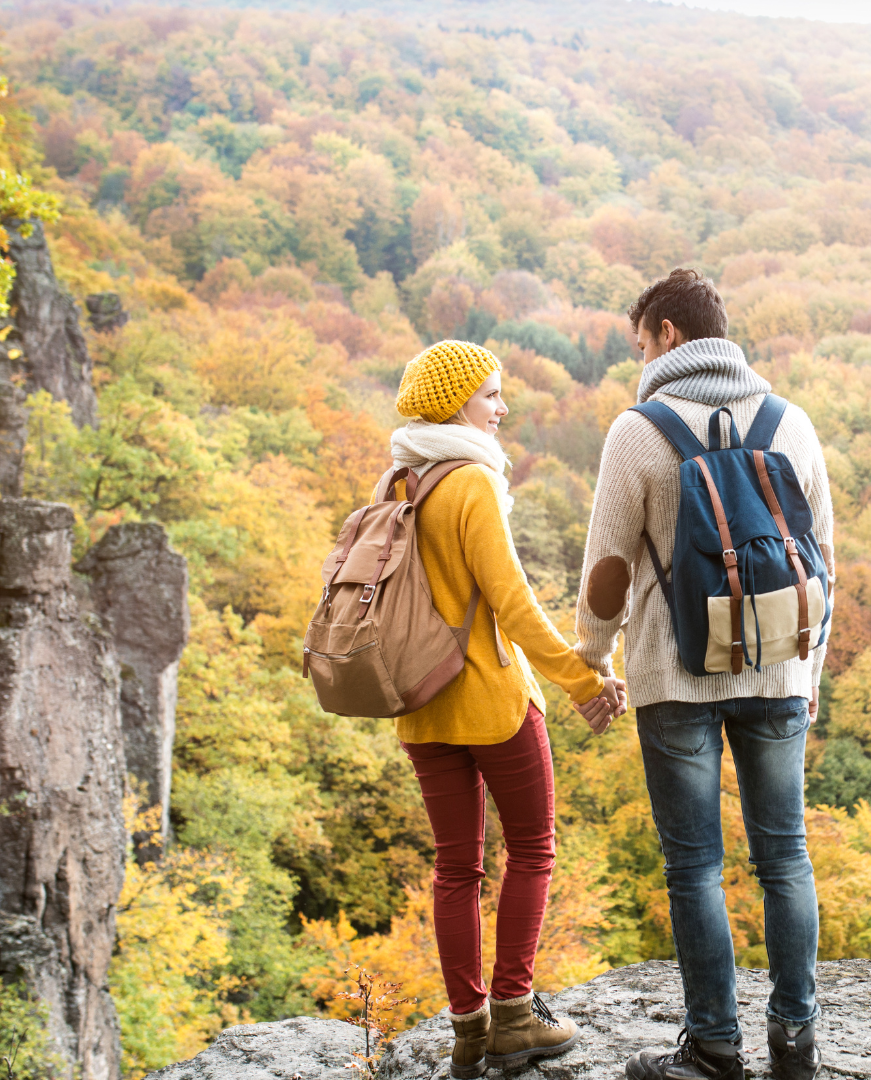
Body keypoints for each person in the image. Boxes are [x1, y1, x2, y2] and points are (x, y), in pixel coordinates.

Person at [574, 270, 833, 1080]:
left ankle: (715, 1046)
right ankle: (796, 1039)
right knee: (785, 857)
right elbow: (824, 559)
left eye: (641, 342)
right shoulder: (793, 425)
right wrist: (810, 665)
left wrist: (592, 658)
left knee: (695, 867)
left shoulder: (638, 431)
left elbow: (606, 568)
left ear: (669, 334)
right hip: (778, 667)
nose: (638, 358)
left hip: (675, 676)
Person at [387, 341, 627, 1079]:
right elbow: (513, 605)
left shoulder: (399, 480)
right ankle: (515, 1015)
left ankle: (468, 1031)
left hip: (421, 705)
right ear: (456, 401)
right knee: (532, 850)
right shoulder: (472, 483)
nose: (502, 408)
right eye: (491, 395)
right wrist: (581, 680)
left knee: (456, 867)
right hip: (491, 699)